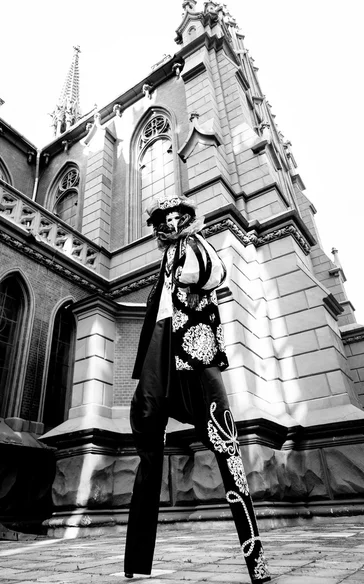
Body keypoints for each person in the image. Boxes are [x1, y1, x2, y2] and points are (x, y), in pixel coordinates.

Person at [124, 195, 271, 583]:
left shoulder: (195, 244)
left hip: (195, 348)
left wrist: (189, 244)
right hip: (161, 342)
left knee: (223, 439)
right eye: (165, 219)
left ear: (186, 218)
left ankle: (257, 563)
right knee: (146, 426)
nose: (171, 223)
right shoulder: (165, 257)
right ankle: (137, 561)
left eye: (177, 217)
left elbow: (210, 274)